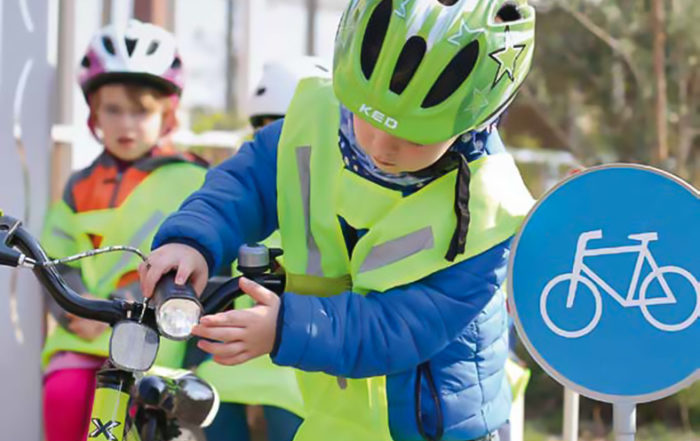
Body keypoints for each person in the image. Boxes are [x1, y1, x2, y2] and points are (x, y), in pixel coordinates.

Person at [140, 1, 536, 440]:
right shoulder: (316, 118)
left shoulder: (490, 207)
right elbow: (244, 184)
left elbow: (401, 327)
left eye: (414, 136)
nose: (381, 147)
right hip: (338, 413)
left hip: (439, 428)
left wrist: (286, 328)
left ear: (475, 119)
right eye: (367, 117)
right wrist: (191, 240)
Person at [40, 20, 207, 441]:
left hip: (152, 340)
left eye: (142, 110)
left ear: (167, 114)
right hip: (82, 333)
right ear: (94, 112)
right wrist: (76, 311)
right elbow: (55, 251)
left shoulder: (192, 178)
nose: (126, 124)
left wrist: (125, 303)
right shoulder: (79, 185)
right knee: (62, 395)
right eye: (113, 109)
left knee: (142, 420)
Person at [198, 56, 330, 441]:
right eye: (263, 130)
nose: (282, 148)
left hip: (301, 359)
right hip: (235, 360)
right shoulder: (247, 204)